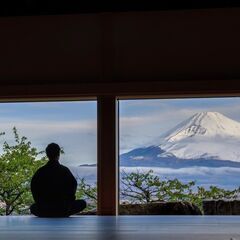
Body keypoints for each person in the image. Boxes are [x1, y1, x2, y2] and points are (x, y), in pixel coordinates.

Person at [30, 143, 86, 217]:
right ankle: (61, 212)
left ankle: (49, 213)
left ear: (47, 155)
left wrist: (41, 203)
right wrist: (67, 203)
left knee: (33, 207)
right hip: (63, 208)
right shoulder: (65, 170)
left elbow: (34, 188)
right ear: (58, 154)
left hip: (45, 209)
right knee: (82, 203)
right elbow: (73, 186)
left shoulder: (40, 171)